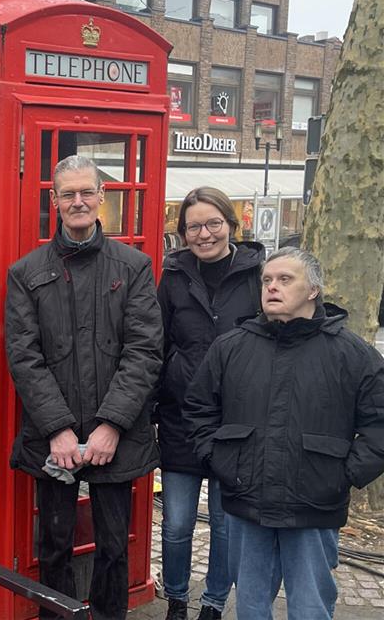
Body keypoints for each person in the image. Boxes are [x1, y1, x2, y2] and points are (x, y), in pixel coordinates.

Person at [185, 247, 384, 619]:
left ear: (313, 290)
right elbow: (198, 408)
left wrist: (344, 475)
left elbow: (379, 424)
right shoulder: (231, 346)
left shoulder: (352, 353)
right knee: (250, 605)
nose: (272, 287)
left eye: (284, 280)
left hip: (314, 505)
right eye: (267, 280)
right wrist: (221, 460)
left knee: (310, 607)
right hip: (247, 499)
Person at [5, 156, 163, 620]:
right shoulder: (26, 271)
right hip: (53, 437)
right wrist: (57, 430)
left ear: (101, 198)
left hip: (118, 434)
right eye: (67, 194)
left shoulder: (134, 266)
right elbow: (24, 356)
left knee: (114, 548)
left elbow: (145, 350)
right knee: (54, 545)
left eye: (85, 192)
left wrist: (111, 425)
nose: (77, 201)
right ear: (53, 201)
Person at [155, 187, 264, 620]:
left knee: (225, 525)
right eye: (194, 226)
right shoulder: (174, 276)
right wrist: (152, 409)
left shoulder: (258, 274)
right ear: (182, 233)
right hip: (182, 417)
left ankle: (215, 604)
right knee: (177, 524)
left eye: (213, 223)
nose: (204, 233)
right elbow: (156, 344)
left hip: (237, 425)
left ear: (230, 224)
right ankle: (177, 599)